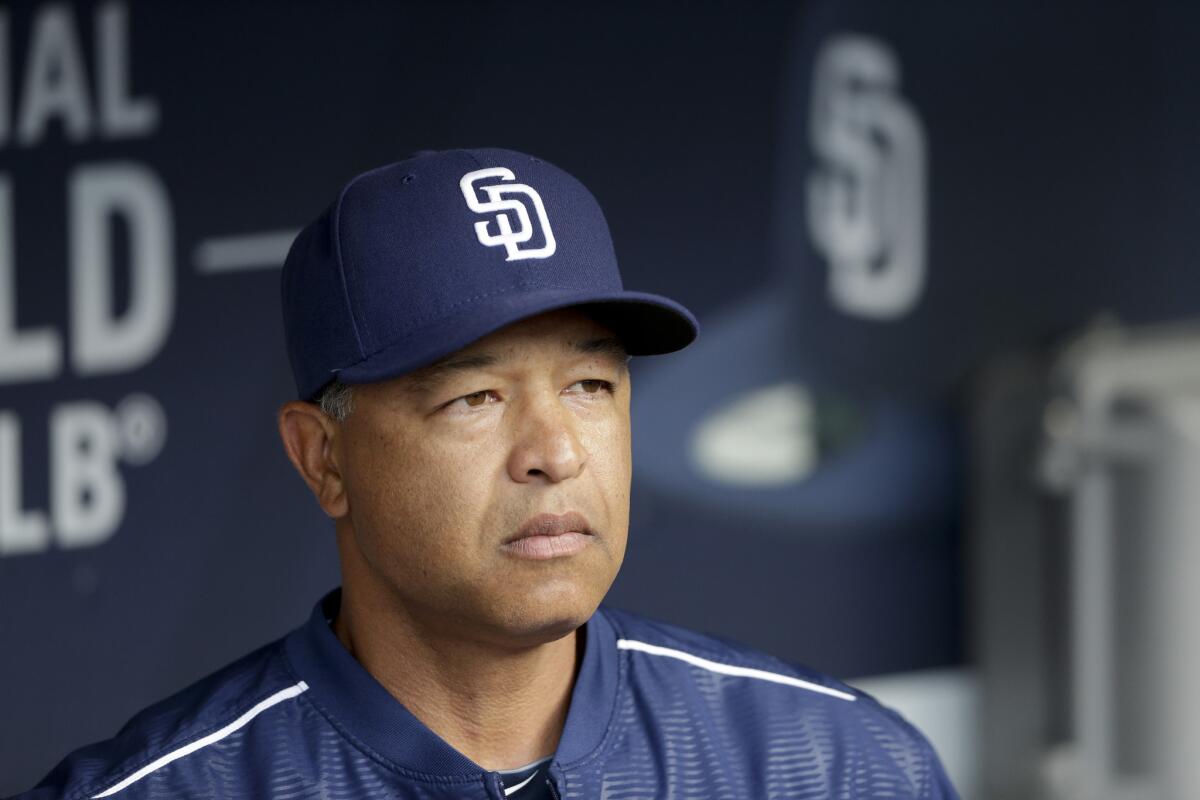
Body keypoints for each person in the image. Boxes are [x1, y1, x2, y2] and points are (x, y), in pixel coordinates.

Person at [15, 148, 958, 799]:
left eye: (590, 385)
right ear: (322, 457)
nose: (556, 451)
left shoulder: (836, 766)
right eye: (474, 399)